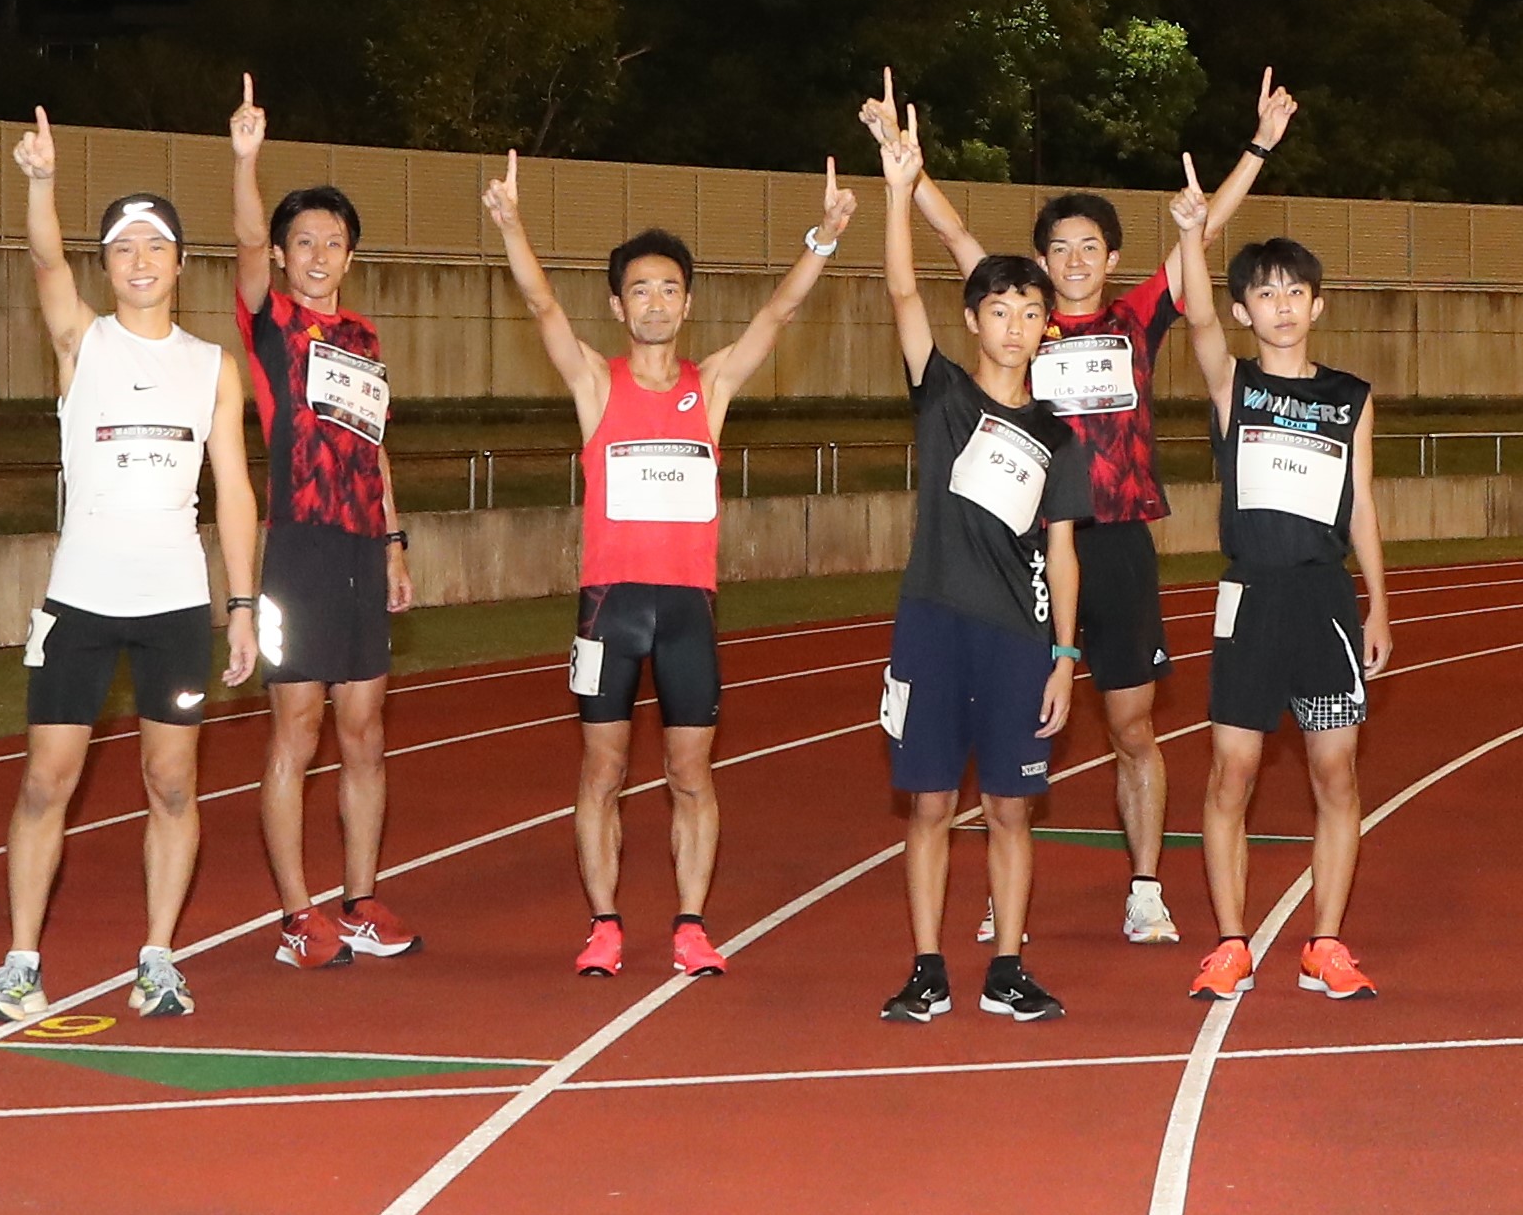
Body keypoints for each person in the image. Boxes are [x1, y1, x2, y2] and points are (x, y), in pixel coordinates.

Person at [892, 73, 1297, 948]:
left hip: (1114, 544)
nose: (1073, 259)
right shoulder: (1021, 318)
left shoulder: (1135, 316)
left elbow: (1201, 230)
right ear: (1037, 264)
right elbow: (958, 237)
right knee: (1004, 724)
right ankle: (1002, 896)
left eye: (1088, 246)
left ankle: (1145, 885)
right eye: (1058, 248)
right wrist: (910, 172)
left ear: (1111, 257)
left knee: (1131, 725)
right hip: (1018, 551)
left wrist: (1258, 147)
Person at [489, 146, 847, 976]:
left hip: (688, 608)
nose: (655, 301)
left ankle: (690, 926)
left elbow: (778, 315)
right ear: (618, 305)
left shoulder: (709, 386)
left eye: (669, 288)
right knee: (603, 769)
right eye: (640, 289)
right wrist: (510, 225)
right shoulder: (595, 382)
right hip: (608, 608)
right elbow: (541, 304)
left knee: (690, 772)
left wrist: (824, 236)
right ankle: (604, 925)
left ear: (687, 301)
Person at [0, 117, 261, 1026]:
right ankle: (20, 962)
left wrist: (242, 603)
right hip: (81, 599)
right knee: (44, 780)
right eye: (123, 247)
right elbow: (43, 262)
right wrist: (40, 182)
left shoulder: (212, 368)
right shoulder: (82, 341)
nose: (140, 260)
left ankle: (158, 958)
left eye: (156, 245)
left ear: (181, 263)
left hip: (173, 603)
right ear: (105, 265)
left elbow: (235, 490)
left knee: (171, 782)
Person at [862, 73, 1090, 1024]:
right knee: (927, 804)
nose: (1014, 324)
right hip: (931, 624)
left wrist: (1065, 655)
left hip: (1016, 638)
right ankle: (926, 966)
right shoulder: (944, 395)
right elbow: (899, 287)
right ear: (973, 319)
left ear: (1045, 326)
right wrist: (897, 190)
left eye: (1029, 312)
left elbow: (1063, 552)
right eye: (998, 309)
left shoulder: (1059, 437)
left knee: (1008, 807)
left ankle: (1005, 967)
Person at [1163, 174, 1392, 999]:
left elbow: (1360, 501)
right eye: (1265, 293)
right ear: (1243, 311)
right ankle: (1231, 943)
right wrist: (1190, 234)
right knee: (1231, 771)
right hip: (1250, 598)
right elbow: (1192, 318)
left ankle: (1324, 942)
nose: (1283, 305)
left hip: (1324, 601)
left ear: (1317, 304)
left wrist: (1378, 603)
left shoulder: (1349, 398)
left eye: (1295, 291)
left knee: (1336, 775)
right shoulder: (1235, 385)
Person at [228, 74, 415, 967]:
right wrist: (245, 160)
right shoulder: (269, 322)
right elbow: (241, 240)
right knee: (296, 728)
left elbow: (373, 446)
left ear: (349, 255)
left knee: (364, 731)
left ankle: (361, 899)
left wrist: (395, 541)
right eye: (302, 240)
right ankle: (296, 915)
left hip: (359, 548)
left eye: (332, 242)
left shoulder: (365, 337)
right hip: (297, 548)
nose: (317, 253)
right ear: (281, 252)